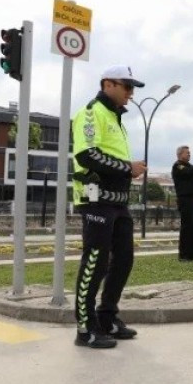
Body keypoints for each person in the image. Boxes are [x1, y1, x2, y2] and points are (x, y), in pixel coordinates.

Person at [71, 65, 147, 348]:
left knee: (124, 259)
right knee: (95, 261)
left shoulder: (115, 118)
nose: (131, 93)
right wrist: (128, 168)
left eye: (133, 88)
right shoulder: (91, 113)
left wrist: (127, 169)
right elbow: (87, 155)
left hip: (117, 202)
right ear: (108, 85)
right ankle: (85, 327)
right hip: (94, 197)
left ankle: (106, 317)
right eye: (127, 87)